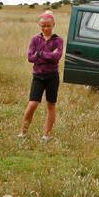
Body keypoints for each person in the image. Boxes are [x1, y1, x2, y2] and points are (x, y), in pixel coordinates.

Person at [21, 11, 63, 141]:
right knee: (32, 104)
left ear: (53, 25)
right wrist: (48, 54)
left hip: (52, 77)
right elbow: (30, 58)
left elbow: (57, 57)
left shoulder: (58, 40)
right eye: (43, 26)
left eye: (48, 26)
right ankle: (23, 132)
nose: (45, 28)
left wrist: (39, 54)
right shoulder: (35, 39)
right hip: (38, 77)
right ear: (39, 25)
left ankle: (46, 135)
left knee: (51, 105)